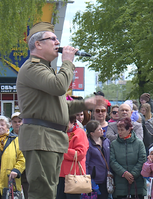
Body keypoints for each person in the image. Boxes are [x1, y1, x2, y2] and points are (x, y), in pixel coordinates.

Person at [16, 22, 103, 199]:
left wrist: (86, 104)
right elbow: (59, 87)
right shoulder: (33, 67)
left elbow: (62, 106)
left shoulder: (45, 69)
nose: (58, 42)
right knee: (43, 192)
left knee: (49, 191)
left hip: (50, 138)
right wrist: (68, 63)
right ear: (38, 44)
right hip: (41, 137)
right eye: (52, 39)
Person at [110, 118, 146, 199]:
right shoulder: (114, 144)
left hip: (137, 184)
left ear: (129, 129)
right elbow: (112, 161)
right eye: (118, 130)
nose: (119, 132)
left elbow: (142, 160)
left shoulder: (139, 143)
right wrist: (124, 173)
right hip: (120, 184)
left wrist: (132, 175)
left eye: (122, 130)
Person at [56, 115, 89, 199]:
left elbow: (80, 154)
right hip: (59, 175)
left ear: (72, 121)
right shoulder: (60, 133)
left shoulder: (80, 132)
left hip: (74, 176)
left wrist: (61, 150)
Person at [0, 116, 25, 198]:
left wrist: (17, 170)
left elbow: (22, 158)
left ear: (7, 126)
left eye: (2, 124)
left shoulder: (16, 140)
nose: (0, 127)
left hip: (9, 180)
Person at [86, 120, 110, 199]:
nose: (102, 131)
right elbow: (86, 162)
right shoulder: (88, 144)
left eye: (101, 128)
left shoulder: (106, 141)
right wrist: (88, 178)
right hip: (95, 178)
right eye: (99, 129)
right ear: (92, 133)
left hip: (107, 177)